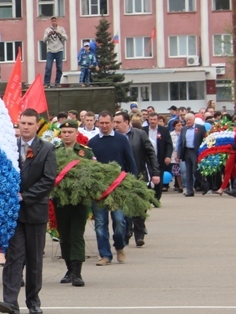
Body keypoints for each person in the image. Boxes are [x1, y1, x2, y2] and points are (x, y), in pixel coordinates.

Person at [0, 109, 57, 314]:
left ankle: (33, 300)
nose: (25, 127)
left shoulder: (47, 149)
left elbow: (48, 179)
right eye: (22, 123)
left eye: (30, 123)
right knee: (14, 257)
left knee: (34, 259)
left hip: (35, 211)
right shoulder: (10, 147)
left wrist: (26, 196)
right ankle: (10, 301)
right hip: (14, 214)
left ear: (37, 125)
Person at [88, 111, 137, 265]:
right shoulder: (92, 143)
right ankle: (105, 255)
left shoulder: (121, 140)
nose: (104, 126)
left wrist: (132, 182)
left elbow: (130, 161)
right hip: (100, 190)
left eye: (107, 123)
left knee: (120, 220)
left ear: (112, 123)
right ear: (97, 123)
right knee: (101, 224)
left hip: (118, 187)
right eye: (101, 123)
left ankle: (120, 245)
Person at [54, 120, 94, 287]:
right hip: (61, 201)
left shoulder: (86, 152)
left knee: (76, 235)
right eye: (64, 132)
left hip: (79, 201)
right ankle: (69, 269)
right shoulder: (55, 152)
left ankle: (77, 273)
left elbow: (91, 174)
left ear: (76, 133)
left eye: (70, 132)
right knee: (64, 235)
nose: (67, 135)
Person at [117, 113, 159, 248]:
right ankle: (126, 232)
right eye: (114, 122)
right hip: (120, 177)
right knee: (124, 207)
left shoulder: (140, 134)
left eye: (118, 122)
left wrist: (155, 172)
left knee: (139, 206)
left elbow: (150, 154)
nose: (115, 125)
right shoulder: (114, 137)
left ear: (127, 122)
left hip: (139, 175)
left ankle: (139, 234)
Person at [176, 113, 205, 196]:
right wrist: (178, 154)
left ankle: (204, 183)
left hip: (196, 151)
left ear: (193, 120)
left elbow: (205, 140)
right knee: (187, 171)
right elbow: (181, 142)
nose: (188, 121)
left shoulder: (200, 128)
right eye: (187, 120)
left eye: (190, 120)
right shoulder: (184, 129)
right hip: (186, 151)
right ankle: (190, 191)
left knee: (195, 170)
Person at [42, 17, 67, 87]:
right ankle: (46, 83)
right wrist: (48, 35)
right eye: (52, 21)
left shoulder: (61, 29)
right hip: (50, 51)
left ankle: (57, 83)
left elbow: (66, 38)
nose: (53, 22)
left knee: (59, 68)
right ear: (51, 22)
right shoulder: (47, 30)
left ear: (57, 21)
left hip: (59, 50)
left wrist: (60, 33)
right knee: (48, 67)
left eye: (55, 21)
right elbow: (44, 40)